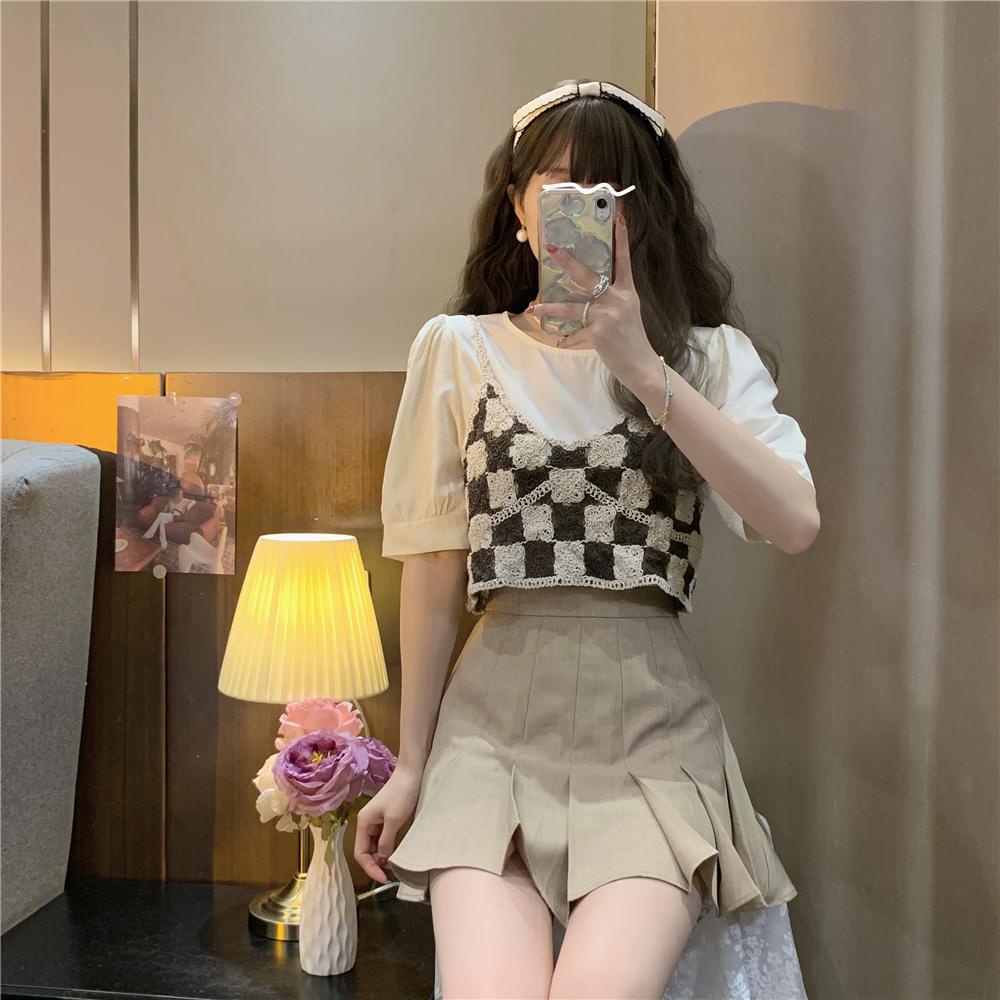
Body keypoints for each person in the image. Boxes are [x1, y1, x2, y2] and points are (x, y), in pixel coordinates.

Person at [356, 77, 819, 999]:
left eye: (610, 189)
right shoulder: (457, 348)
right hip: (489, 732)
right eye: (560, 184)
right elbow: (434, 567)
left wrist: (646, 371)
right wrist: (410, 764)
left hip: (654, 739)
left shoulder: (706, 359)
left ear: (645, 213)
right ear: (519, 207)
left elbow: (793, 521)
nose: (583, 204)